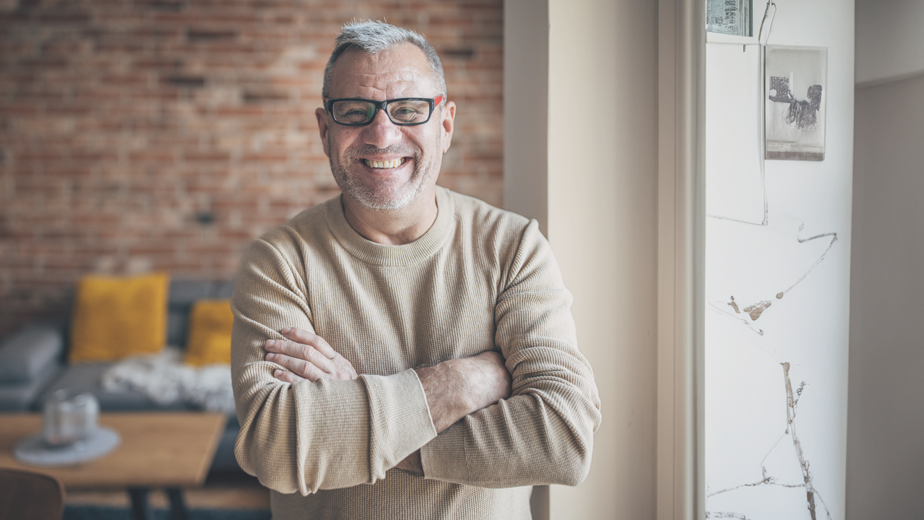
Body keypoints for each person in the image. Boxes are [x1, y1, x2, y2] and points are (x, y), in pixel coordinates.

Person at [230, 20, 602, 519]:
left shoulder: (514, 248)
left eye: (407, 110)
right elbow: (274, 447)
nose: (382, 135)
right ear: (325, 130)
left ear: (444, 125)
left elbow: (562, 437)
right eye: (355, 111)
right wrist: (459, 384)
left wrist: (354, 402)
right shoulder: (280, 262)